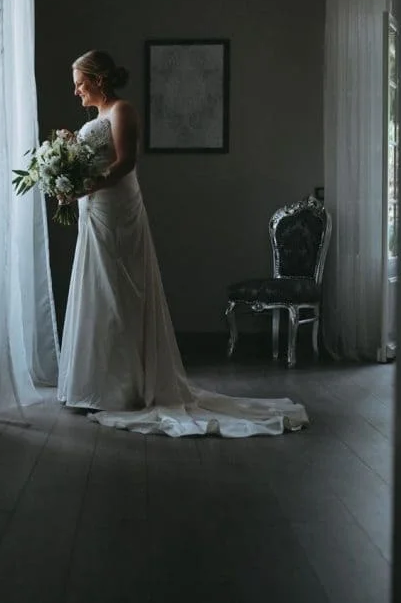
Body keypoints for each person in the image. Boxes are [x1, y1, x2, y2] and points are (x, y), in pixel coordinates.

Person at [55, 50, 308, 437]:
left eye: (80, 83)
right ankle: (93, 384)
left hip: (118, 211)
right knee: (97, 289)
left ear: (99, 80)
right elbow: (97, 160)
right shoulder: (97, 118)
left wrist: (87, 184)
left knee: (121, 292)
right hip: (95, 211)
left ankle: (125, 387)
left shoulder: (122, 110)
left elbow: (125, 163)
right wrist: (71, 174)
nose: (76, 91)